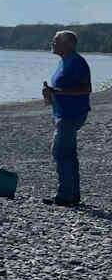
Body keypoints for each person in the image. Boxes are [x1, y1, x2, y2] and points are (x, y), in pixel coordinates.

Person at [41, 29, 92, 206]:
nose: (52, 43)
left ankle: (64, 195)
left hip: (72, 114)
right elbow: (59, 92)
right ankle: (73, 194)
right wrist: (49, 95)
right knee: (68, 154)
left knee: (60, 153)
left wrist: (57, 92)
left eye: (56, 40)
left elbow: (86, 89)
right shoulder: (63, 62)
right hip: (63, 114)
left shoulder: (77, 62)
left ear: (68, 44)